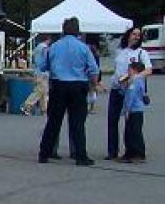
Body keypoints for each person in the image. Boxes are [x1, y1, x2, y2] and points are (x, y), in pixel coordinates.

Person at [37, 16, 99, 166]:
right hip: (78, 85)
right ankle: (80, 155)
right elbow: (93, 69)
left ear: (63, 30)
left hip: (58, 85)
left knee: (53, 121)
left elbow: (43, 66)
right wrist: (93, 86)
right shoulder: (84, 48)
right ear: (78, 31)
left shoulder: (54, 47)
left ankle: (44, 153)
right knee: (77, 122)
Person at [107, 27, 152, 159]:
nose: (136, 37)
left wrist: (134, 77)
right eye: (134, 34)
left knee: (131, 121)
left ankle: (133, 150)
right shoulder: (119, 51)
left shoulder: (141, 53)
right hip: (117, 89)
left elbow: (148, 70)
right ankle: (112, 151)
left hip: (130, 90)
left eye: (139, 35)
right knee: (112, 120)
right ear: (128, 35)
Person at [118, 60, 149, 163]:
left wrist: (126, 110)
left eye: (130, 69)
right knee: (129, 132)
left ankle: (139, 153)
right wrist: (123, 84)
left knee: (134, 132)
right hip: (135, 109)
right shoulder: (137, 80)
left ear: (135, 70)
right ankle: (130, 153)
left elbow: (130, 96)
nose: (128, 71)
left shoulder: (135, 81)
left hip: (134, 110)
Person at [21, 35, 51, 116]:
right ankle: (27, 106)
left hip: (38, 72)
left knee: (43, 92)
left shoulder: (38, 47)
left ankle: (44, 110)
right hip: (43, 73)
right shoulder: (45, 48)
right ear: (47, 40)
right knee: (39, 91)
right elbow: (47, 60)